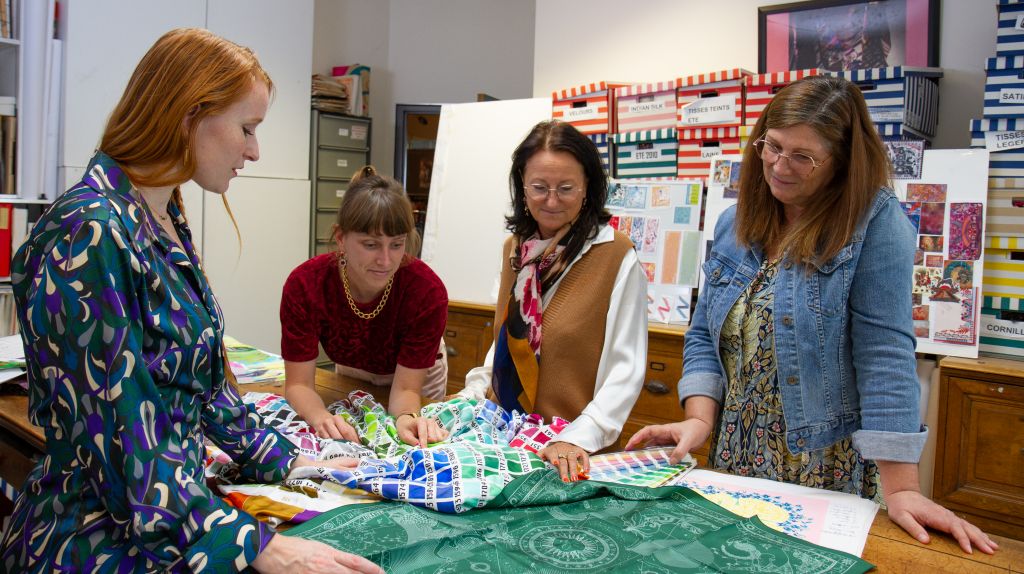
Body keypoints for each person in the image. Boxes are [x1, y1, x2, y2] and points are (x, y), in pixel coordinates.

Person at [0, 28, 382, 574]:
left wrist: (288, 460)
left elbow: (204, 383)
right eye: (247, 128)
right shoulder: (87, 233)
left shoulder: (162, 214)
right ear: (188, 115)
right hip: (93, 536)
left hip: (164, 509)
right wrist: (256, 546)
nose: (254, 150)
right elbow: (123, 440)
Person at [626, 75, 998, 555]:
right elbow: (703, 335)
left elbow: (885, 355)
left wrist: (903, 488)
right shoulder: (736, 222)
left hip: (821, 460)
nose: (780, 166)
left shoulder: (874, 223)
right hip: (735, 451)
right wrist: (698, 420)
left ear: (842, 162)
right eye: (773, 146)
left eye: (803, 156)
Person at [460, 120, 649, 482]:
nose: (550, 201)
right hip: (507, 444)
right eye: (539, 188)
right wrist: (472, 396)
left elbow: (625, 370)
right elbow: (508, 344)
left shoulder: (616, 256)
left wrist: (578, 437)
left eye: (565, 188)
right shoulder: (517, 251)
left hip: (572, 454)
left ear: (587, 188)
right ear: (522, 186)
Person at [280, 166, 449, 447]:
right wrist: (320, 416)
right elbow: (298, 385)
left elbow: (406, 389)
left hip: (414, 375)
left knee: (408, 438)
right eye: (371, 245)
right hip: (352, 365)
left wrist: (407, 418)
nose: (385, 260)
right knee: (350, 430)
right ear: (340, 238)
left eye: (396, 245)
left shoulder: (426, 291)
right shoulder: (306, 284)